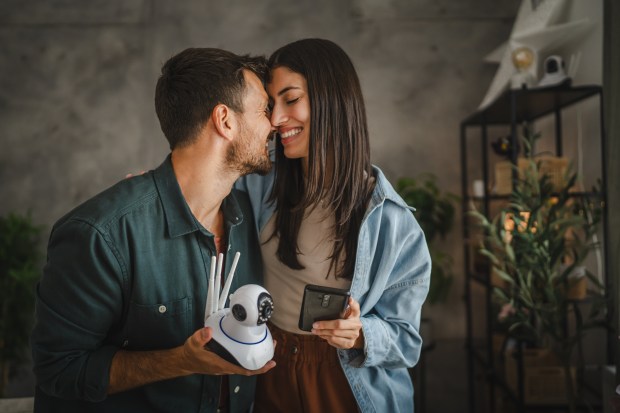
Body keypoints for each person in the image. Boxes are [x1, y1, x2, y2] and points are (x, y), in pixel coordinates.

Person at [31, 47, 276, 413]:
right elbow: (59, 370)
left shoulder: (248, 218)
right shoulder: (101, 234)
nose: (274, 123)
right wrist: (182, 360)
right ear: (225, 120)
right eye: (264, 110)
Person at [236, 38, 431, 412]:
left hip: (343, 381)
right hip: (267, 367)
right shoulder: (259, 183)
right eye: (271, 105)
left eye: (290, 100)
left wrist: (360, 335)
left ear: (333, 100)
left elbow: (407, 342)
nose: (276, 120)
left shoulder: (393, 223)